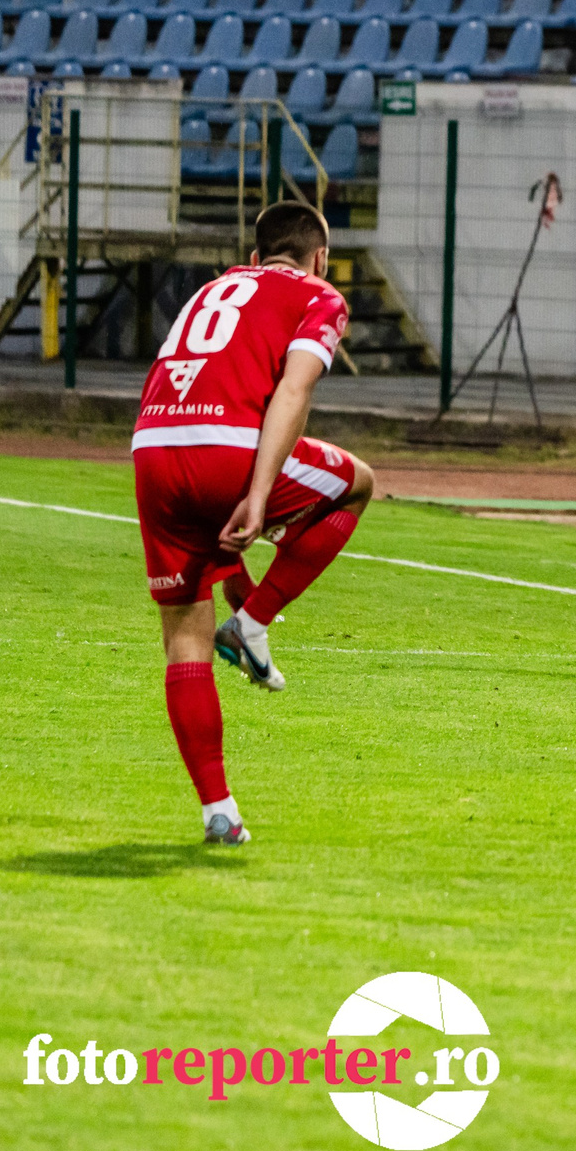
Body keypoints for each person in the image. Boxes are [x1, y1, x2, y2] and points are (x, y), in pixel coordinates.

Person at [131, 202, 372, 845]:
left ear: (258, 250)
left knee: (184, 634)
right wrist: (260, 495)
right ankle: (253, 623)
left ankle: (220, 811)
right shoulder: (319, 295)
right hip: (226, 448)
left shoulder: (211, 289)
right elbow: (292, 394)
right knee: (356, 485)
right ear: (319, 256)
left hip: (153, 448)